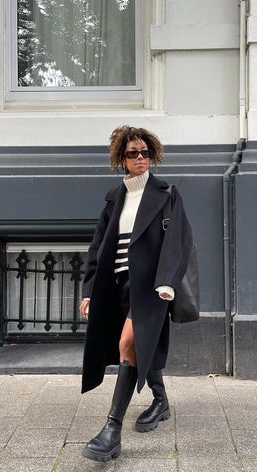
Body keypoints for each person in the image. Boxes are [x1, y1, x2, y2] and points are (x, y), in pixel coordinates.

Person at [79, 125, 192, 462]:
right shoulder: (115, 198)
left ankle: (110, 432)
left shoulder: (166, 193)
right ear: (121, 159)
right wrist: (89, 289)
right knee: (140, 344)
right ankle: (161, 401)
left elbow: (179, 241)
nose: (141, 157)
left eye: (145, 152)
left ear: (153, 154)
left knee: (128, 344)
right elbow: (98, 247)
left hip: (152, 288)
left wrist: (168, 281)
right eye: (133, 153)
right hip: (116, 287)